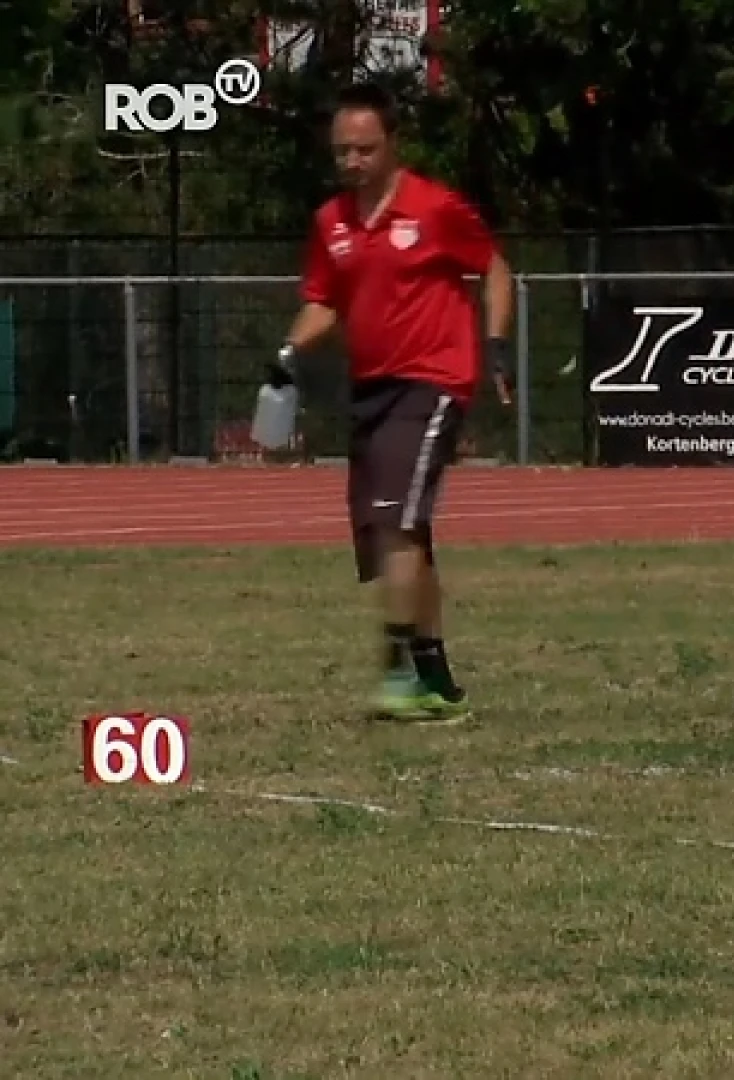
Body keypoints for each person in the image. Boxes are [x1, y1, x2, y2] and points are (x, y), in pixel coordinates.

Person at [271, 82, 515, 721]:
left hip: (433, 380)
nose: (352, 161)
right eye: (341, 151)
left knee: (396, 521)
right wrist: (287, 355)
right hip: (372, 386)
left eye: (364, 149)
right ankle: (434, 677)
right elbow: (324, 301)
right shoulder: (332, 222)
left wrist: (494, 345)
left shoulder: (435, 209)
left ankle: (399, 665)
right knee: (398, 535)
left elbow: (493, 267)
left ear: (392, 145)